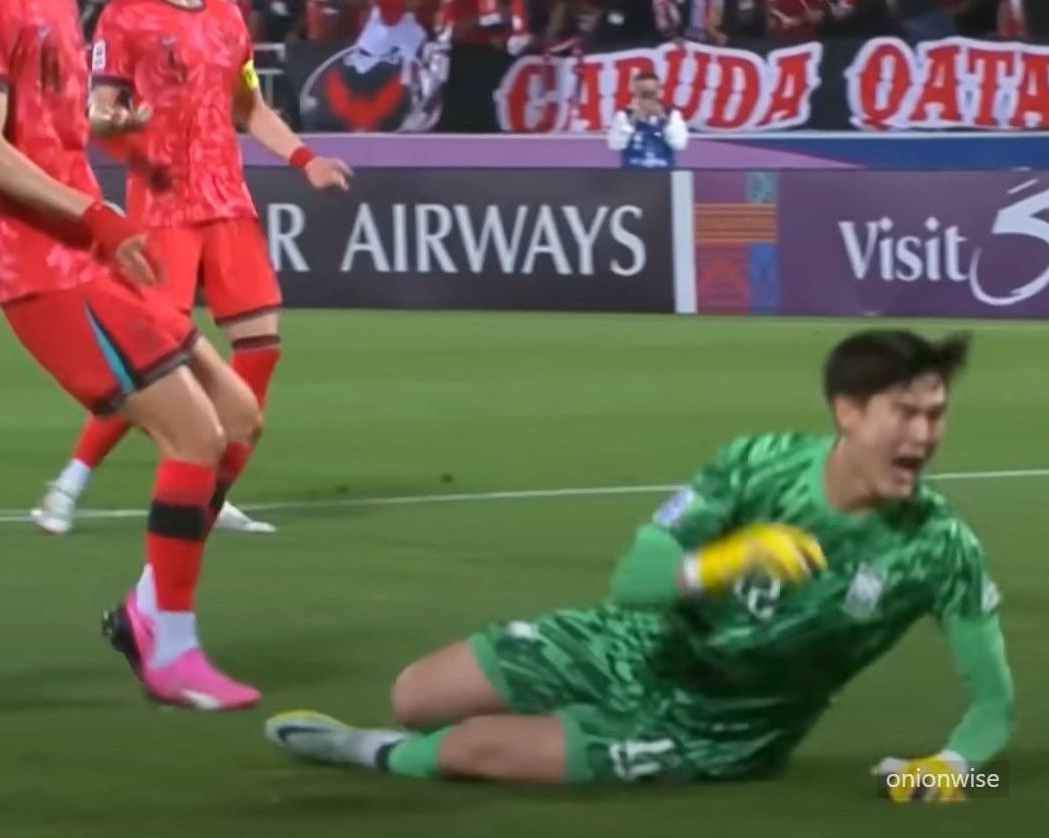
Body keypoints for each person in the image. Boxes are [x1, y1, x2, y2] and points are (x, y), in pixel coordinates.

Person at [267, 330, 1014, 802]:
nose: (924, 434)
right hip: (633, 644)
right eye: (905, 413)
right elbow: (634, 582)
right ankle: (465, 731)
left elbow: (993, 707)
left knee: (466, 750)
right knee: (416, 692)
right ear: (847, 411)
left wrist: (951, 772)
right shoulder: (757, 464)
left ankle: (372, 752)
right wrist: (729, 560)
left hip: (718, 730)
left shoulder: (940, 546)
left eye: (936, 415)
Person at [0, 0, 283, 711]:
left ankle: (146, 609)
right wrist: (97, 221)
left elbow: (67, 128)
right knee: (194, 435)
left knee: (239, 418)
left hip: (95, 255)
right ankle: (170, 644)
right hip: (47, 269)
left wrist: (109, 156)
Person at [29, 0, 350, 539]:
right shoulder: (125, 19)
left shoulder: (229, 19)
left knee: (260, 347)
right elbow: (99, 115)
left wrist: (304, 158)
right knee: (154, 363)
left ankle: (209, 494)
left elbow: (250, 107)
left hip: (229, 203)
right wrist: (124, 122)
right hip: (164, 211)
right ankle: (69, 482)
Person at [607, 71, 688, 169]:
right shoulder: (623, 115)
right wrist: (633, 120)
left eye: (651, 94)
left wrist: (663, 119)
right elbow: (615, 144)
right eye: (644, 94)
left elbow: (679, 144)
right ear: (635, 93)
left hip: (665, 176)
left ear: (659, 92)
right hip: (631, 177)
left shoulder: (672, 115)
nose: (648, 99)